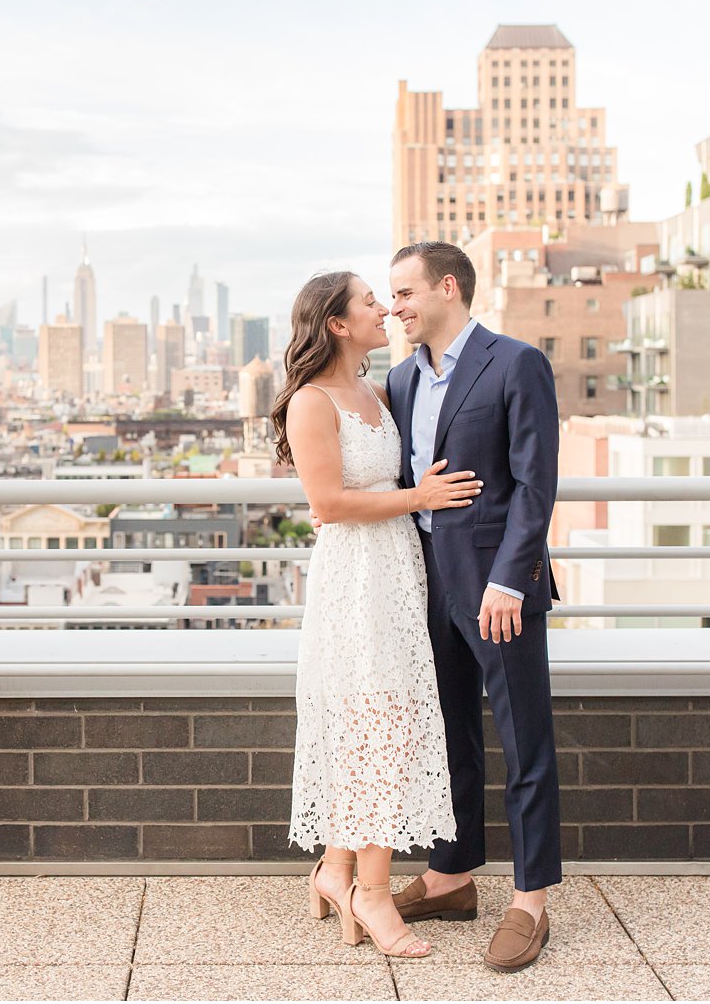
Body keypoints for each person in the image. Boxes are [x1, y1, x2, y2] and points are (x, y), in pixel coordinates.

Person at [271, 271, 481, 959]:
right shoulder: (311, 401)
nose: (384, 310)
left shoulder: (380, 389)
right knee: (377, 727)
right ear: (336, 323)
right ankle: (373, 891)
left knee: (380, 722)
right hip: (354, 581)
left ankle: (336, 869)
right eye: (370, 302)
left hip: (396, 572)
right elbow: (328, 503)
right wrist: (420, 498)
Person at [384, 241, 563, 973]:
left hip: (499, 587)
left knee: (524, 738)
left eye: (404, 293)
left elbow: (535, 483)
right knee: (449, 731)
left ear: (447, 287)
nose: (395, 307)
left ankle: (531, 897)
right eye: (390, 297)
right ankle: (454, 875)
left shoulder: (514, 362)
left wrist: (509, 579)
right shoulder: (399, 378)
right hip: (425, 579)